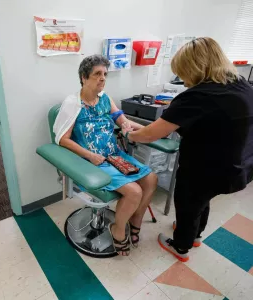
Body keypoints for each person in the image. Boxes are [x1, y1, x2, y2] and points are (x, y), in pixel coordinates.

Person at [123, 37, 253, 262]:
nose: (183, 80)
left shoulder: (198, 95)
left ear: (194, 68)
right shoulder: (240, 83)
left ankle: (181, 246)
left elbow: (153, 133)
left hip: (206, 166)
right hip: (238, 163)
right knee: (202, 201)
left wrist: (129, 133)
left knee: (188, 203)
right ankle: (195, 235)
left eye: (183, 73)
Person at [54, 55, 158, 256]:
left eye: (105, 74)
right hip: (92, 162)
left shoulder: (105, 99)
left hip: (114, 155)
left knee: (151, 179)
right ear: (84, 77)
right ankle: (118, 229)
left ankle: (135, 221)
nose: (102, 78)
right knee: (135, 191)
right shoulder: (73, 103)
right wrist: (90, 155)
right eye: (97, 74)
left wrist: (141, 129)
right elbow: (62, 139)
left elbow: (121, 119)